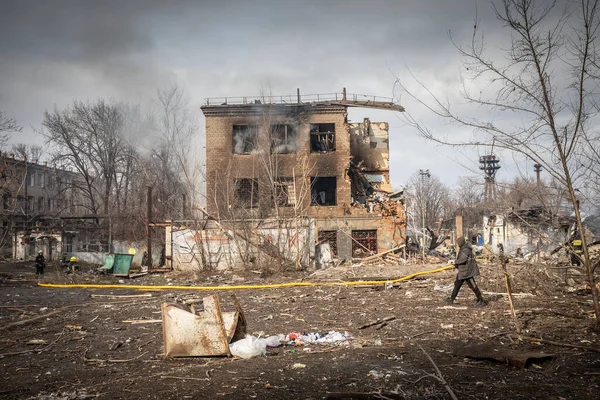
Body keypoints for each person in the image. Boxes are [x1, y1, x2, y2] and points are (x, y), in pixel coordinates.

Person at [446, 236, 487, 306]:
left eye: (458, 243)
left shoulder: (466, 249)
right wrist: (455, 265)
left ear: (461, 243)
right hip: (463, 271)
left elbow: (463, 259)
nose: (457, 244)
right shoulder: (463, 248)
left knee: (473, 286)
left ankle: (481, 300)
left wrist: (454, 262)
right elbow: (461, 259)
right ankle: (452, 299)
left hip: (467, 272)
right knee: (457, 285)